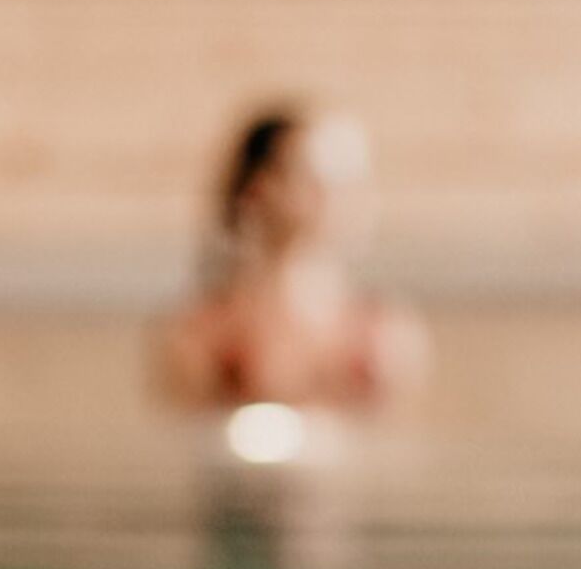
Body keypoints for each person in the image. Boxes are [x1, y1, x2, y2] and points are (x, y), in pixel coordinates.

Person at [157, 104, 429, 413]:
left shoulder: (382, 336)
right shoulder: (206, 336)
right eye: (310, 172)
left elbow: (394, 443)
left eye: (341, 176)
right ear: (257, 190)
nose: (330, 192)